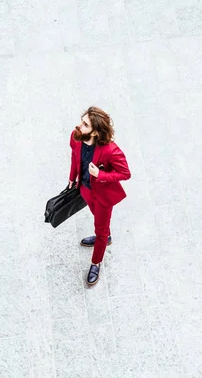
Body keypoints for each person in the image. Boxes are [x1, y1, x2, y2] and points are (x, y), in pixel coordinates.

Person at [69, 107, 131, 286]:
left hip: (103, 195)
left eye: (85, 124)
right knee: (97, 217)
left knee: (101, 230)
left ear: (95, 132)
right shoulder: (76, 136)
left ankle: (96, 262)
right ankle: (106, 237)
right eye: (82, 120)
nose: (79, 125)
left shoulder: (111, 150)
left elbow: (125, 173)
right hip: (85, 189)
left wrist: (100, 175)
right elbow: (74, 158)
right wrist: (72, 178)